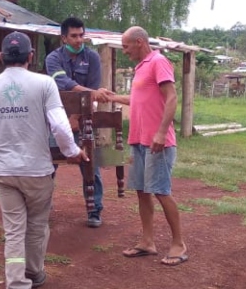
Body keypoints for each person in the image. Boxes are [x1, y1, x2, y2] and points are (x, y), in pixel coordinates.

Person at [0, 31, 88, 289]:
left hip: (5, 172)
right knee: (36, 225)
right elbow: (60, 127)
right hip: (37, 171)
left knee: (14, 232)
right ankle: (35, 273)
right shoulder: (44, 84)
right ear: (31, 57)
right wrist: (73, 152)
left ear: (1, 57)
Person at [112, 26, 188, 266]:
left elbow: (172, 97)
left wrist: (162, 132)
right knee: (142, 191)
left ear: (139, 42)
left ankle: (179, 244)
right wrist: (111, 96)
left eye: (125, 46)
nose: (124, 51)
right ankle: (147, 242)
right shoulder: (141, 67)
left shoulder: (159, 61)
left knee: (161, 191)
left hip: (157, 143)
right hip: (139, 140)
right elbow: (138, 100)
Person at [44, 17, 114, 228]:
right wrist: (67, 119)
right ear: (63, 37)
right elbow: (61, 83)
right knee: (48, 165)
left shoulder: (92, 57)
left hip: (84, 121)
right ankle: (42, 207)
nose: (79, 40)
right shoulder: (52, 58)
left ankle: (94, 210)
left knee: (90, 165)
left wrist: (75, 118)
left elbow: (92, 92)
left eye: (81, 35)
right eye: (74, 36)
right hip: (56, 119)